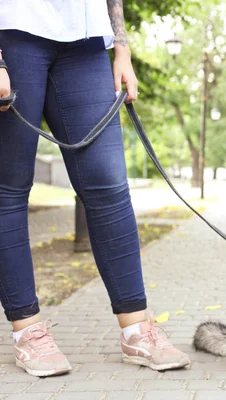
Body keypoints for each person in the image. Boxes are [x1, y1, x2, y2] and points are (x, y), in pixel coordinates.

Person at [0, 1, 190, 376]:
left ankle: (137, 330)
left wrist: (122, 49)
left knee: (109, 187)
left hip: (85, 40)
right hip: (14, 32)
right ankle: (28, 331)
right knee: (8, 190)